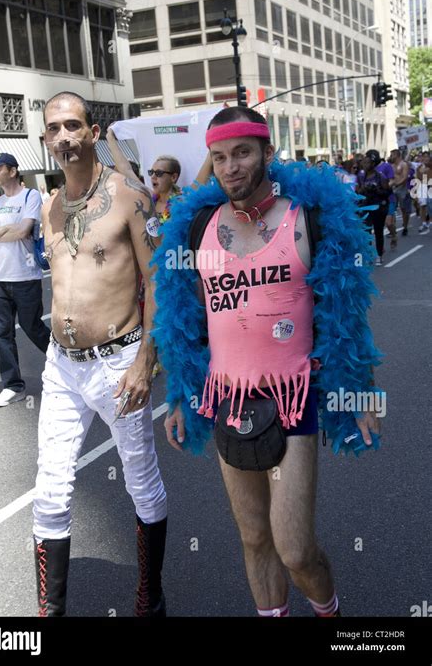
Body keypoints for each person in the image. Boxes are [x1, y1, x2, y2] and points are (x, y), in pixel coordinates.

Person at [153, 107, 382, 618]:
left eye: (242, 153)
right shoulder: (197, 231)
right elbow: (184, 319)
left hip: (292, 398)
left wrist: (360, 388)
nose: (231, 167)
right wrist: (179, 396)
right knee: (255, 538)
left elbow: (343, 314)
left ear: (267, 154)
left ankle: (330, 614)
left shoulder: (308, 220)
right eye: (219, 157)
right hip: (226, 399)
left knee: (296, 549)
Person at [33, 91, 167, 618]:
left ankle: (149, 596)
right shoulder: (48, 206)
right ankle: (51, 611)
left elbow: (158, 283)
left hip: (119, 361)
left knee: (141, 482)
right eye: (53, 129)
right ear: (46, 140)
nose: (64, 137)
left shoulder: (131, 199)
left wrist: (144, 362)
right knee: (50, 486)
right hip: (61, 365)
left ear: (92, 132)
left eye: (72, 125)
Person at [0, 154, 50, 407]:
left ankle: (69, 366)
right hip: (0, 278)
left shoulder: (30, 196)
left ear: (13, 170)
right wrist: (6, 230)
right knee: (2, 334)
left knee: (33, 328)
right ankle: (13, 386)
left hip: (25, 276)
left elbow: (23, 231)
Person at [357, 153, 390, 265]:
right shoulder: (361, 176)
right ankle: (369, 254)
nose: (365, 165)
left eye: (368, 162)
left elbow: (387, 192)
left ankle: (379, 255)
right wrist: (364, 189)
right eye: (364, 162)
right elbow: (358, 192)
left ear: (373, 164)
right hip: (366, 207)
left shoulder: (380, 176)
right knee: (366, 232)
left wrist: (376, 190)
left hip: (378, 208)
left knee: (378, 232)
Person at [149, 155, 182, 223]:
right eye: (151, 172)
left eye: (158, 173)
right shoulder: (150, 201)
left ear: (173, 177)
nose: (153, 176)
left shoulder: (181, 203)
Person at [390, 149, 411, 237]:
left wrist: (397, 184)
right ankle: (392, 229)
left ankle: (405, 227)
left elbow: (405, 177)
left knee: (404, 210)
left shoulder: (404, 164)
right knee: (391, 210)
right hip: (393, 190)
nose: (391, 156)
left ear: (397, 155)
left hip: (402, 190)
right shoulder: (391, 166)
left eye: (392, 155)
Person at [416, 151, 432, 234]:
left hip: (430, 187)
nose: (425, 158)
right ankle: (424, 223)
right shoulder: (419, 167)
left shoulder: (430, 166)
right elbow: (418, 178)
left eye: (427, 156)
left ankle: (430, 222)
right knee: (422, 205)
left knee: (430, 205)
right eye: (424, 156)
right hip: (422, 187)